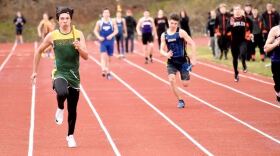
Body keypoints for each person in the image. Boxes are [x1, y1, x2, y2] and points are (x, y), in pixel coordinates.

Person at [31, 6, 88, 148]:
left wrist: (79, 47)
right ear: (58, 20)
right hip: (59, 72)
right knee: (62, 92)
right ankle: (60, 107)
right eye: (62, 18)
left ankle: (70, 136)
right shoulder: (53, 36)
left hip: (74, 75)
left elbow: (86, 56)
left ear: (70, 19)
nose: (65, 21)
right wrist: (34, 71)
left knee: (73, 109)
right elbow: (38, 51)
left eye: (67, 18)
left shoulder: (78, 34)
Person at [160, 13, 196, 108]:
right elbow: (161, 49)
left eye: (175, 23)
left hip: (183, 61)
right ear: (168, 22)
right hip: (171, 62)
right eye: (172, 23)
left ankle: (185, 71)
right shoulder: (164, 35)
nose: (173, 25)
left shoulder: (181, 32)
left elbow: (192, 43)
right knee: (171, 79)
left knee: (185, 84)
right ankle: (180, 100)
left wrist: (193, 58)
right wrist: (165, 54)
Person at [94, 8, 118, 79]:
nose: (106, 14)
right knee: (103, 55)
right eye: (105, 12)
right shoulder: (99, 22)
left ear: (109, 14)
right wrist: (99, 37)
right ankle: (104, 69)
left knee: (110, 58)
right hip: (103, 41)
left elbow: (116, 30)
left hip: (110, 41)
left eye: (107, 12)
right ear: (103, 14)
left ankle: (107, 70)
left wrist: (111, 35)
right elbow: (95, 30)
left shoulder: (112, 21)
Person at [228, 4, 249, 82]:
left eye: (238, 9)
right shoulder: (231, 19)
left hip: (242, 41)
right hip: (234, 42)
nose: (237, 11)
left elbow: (252, 24)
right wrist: (231, 24)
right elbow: (227, 29)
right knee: (235, 58)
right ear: (233, 11)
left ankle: (244, 64)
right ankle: (236, 73)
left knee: (243, 53)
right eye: (235, 9)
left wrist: (250, 33)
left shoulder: (245, 18)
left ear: (241, 10)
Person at [264, 24, 280, 104]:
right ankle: (278, 93)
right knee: (278, 84)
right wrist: (276, 43)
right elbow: (266, 48)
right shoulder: (275, 30)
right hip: (277, 61)